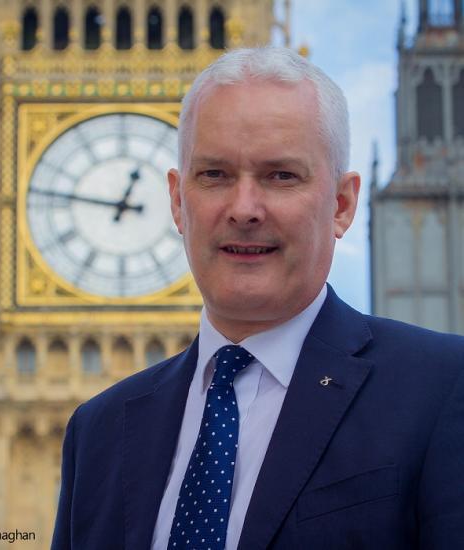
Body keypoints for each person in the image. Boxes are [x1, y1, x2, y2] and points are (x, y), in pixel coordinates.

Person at [51, 47, 464, 549]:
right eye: (215, 175)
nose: (244, 209)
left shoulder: (443, 387)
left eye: (280, 176)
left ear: (342, 203)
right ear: (179, 203)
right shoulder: (97, 432)